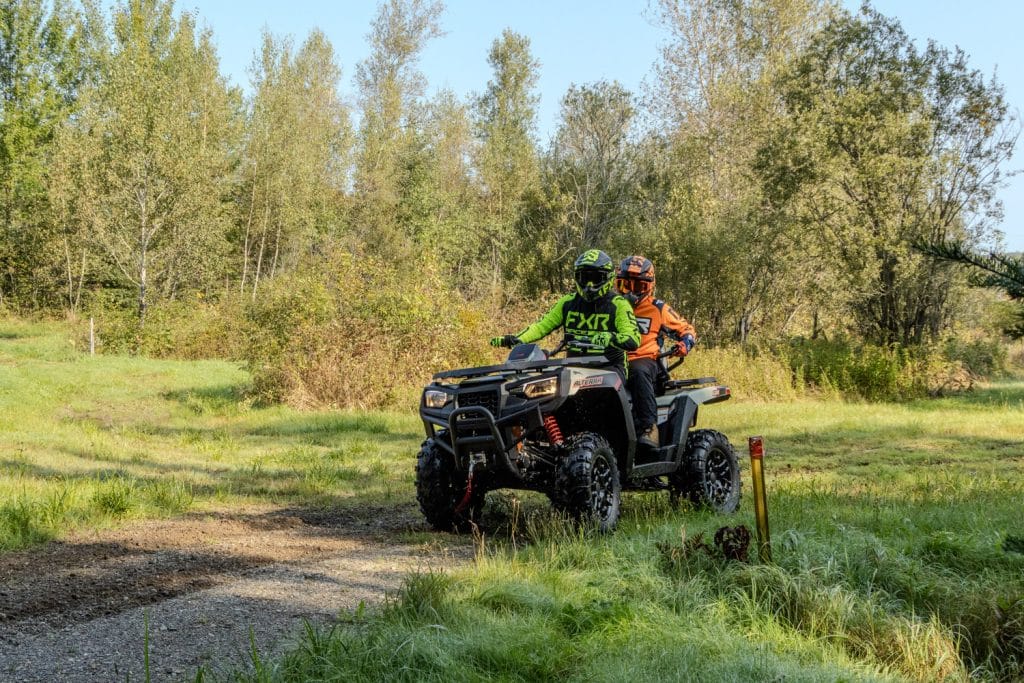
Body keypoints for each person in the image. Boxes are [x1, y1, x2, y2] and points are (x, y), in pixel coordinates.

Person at [490, 249, 640, 376]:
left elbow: (633, 339)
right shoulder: (567, 302)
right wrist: (518, 339)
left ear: (608, 277)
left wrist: (611, 337)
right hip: (573, 370)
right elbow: (542, 325)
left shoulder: (619, 305)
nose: (589, 284)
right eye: (585, 277)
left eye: (595, 278)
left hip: (610, 369)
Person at [615, 255, 696, 449]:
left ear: (649, 286)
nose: (632, 292)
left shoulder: (658, 309)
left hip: (647, 361)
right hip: (614, 360)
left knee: (637, 371)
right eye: (626, 285)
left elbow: (687, 330)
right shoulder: (611, 306)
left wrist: (684, 345)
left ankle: (649, 428)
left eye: (638, 286)